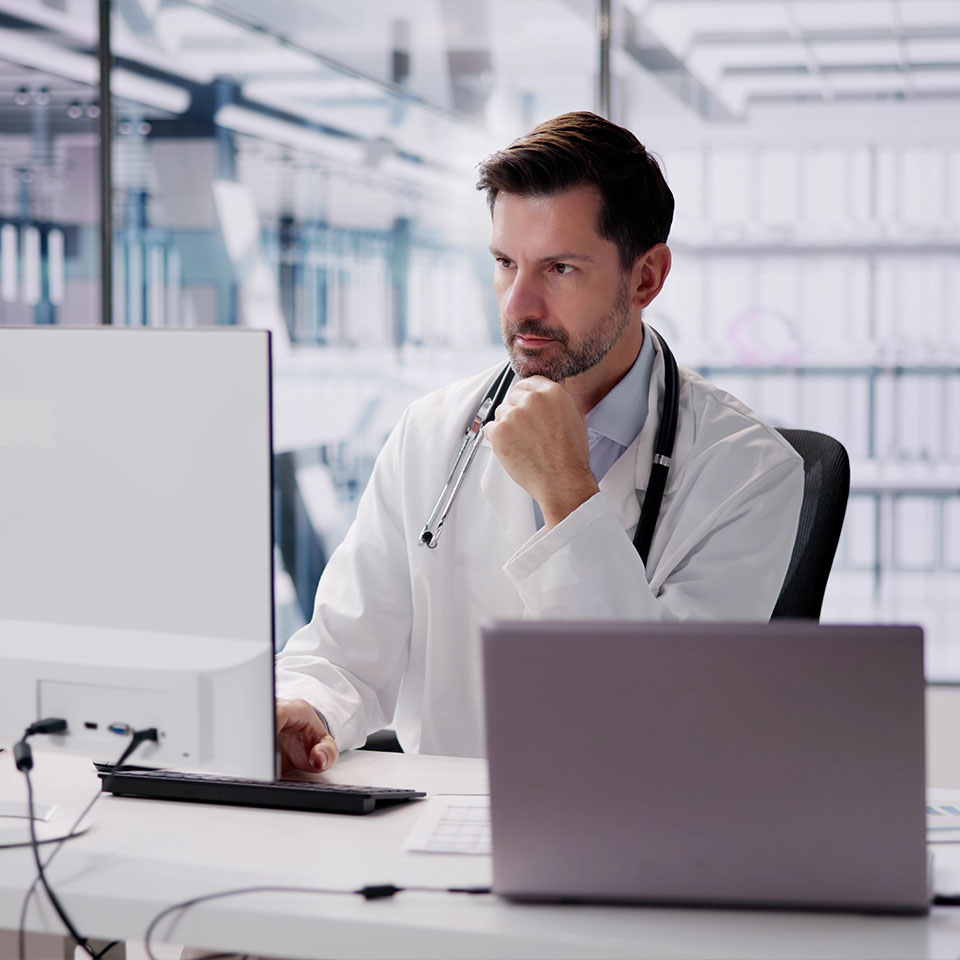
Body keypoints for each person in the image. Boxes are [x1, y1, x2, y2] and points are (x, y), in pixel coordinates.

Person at [275, 111, 803, 774]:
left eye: (559, 268)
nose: (518, 305)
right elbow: (341, 653)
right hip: (438, 828)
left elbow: (666, 717)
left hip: (632, 838)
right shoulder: (430, 433)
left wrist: (567, 494)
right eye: (504, 263)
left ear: (646, 278)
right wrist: (306, 706)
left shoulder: (750, 473)